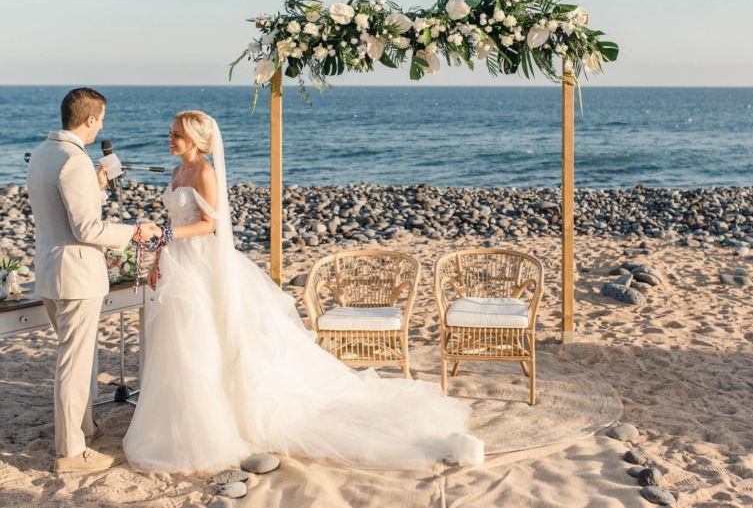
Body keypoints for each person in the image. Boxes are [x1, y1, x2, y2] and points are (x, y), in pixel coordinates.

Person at [123, 111, 484, 472]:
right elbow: (174, 220)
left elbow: (209, 224)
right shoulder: (176, 173)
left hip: (204, 262)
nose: (170, 139)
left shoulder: (205, 174)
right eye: (171, 133)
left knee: (203, 335)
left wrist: (163, 233)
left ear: (196, 140)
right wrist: (158, 257)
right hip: (178, 261)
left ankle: (218, 420)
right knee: (183, 340)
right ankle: (184, 417)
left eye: (176, 135)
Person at [26, 88, 160, 473]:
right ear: (89, 119)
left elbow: (60, 208)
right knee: (73, 363)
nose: (101, 126)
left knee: (78, 359)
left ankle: (83, 427)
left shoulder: (43, 153)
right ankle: (71, 453)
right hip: (76, 275)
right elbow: (86, 228)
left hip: (49, 271)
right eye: (100, 120)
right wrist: (134, 231)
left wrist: (95, 186)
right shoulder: (75, 160)